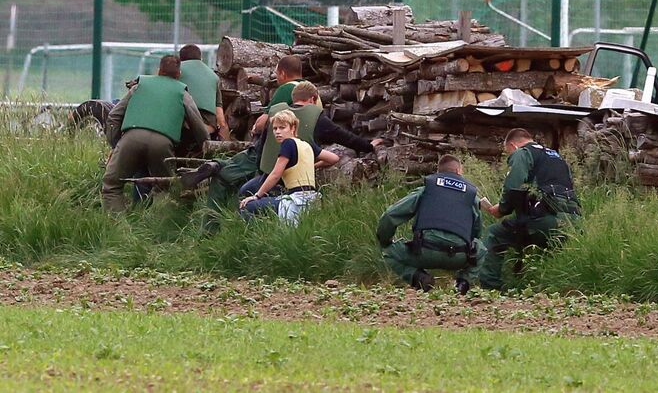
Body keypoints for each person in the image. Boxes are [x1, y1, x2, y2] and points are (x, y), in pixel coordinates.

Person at [182, 81, 381, 222]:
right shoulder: (316, 119)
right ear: (313, 99)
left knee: (243, 191)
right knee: (253, 198)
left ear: (294, 98)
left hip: (265, 172)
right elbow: (345, 138)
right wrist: (369, 145)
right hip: (289, 184)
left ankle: (221, 172)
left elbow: (262, 149)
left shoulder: (276, 115)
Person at [102, 55, 209, 212]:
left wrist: (116, 142)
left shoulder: (139, 86)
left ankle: (118, 226)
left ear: (159, 71)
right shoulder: (182, 92)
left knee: (111, 185)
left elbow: (114, 116)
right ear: (178, 74)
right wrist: (206, 147)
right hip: (163, 144)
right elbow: (198, 126)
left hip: (131, 138)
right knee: (165, 188)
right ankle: (158, 226)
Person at [478, 128, 581, 290]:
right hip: (573, 222)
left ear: (513, 146)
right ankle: (537, 284)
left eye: (508, 153)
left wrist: (501, 209)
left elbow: (514, 187)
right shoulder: (557, 157)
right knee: (521, 228)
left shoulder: (522, 153)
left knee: (494, 234)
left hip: (544, 219)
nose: (510, 156)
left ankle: (490, 288)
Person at [376, 155, 487, 295]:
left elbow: (390, 215)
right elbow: (476, 232)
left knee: (387, 251)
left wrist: (385, 240)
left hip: (425, 251)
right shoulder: (472, 197)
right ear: (459, 171)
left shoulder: (426, 190)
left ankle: (420, 278)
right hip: (458, 255)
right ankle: (462, 285)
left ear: (438, 172)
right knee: (481, 249)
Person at [239, 109, 339, 225]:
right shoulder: (307, 144)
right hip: (312, 199)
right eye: (275, 128)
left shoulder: (288, 144)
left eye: (282, 128)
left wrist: (256, 196)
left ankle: (260, 238)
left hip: (296, 202)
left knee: (247, 206)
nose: (277, 132)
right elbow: (333, 158)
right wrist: (311, 166)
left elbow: (275, 175)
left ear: (293, 128)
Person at [178, 44, 230, 141]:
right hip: (208, 127)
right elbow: (219, 114)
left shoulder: (176, 69)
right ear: (200, 58)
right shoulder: (214, 76)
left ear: (180, 59)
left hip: (183, 125)